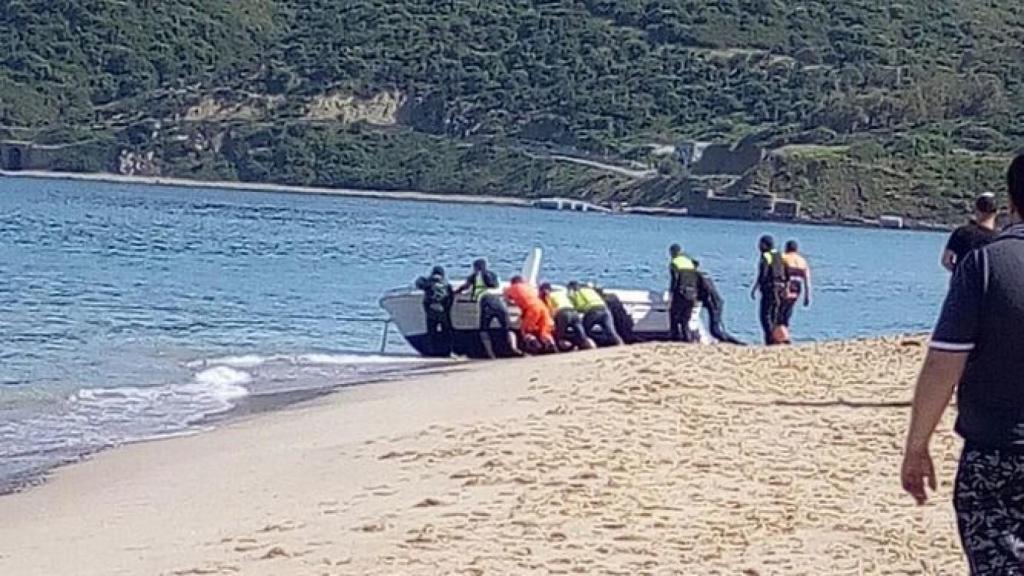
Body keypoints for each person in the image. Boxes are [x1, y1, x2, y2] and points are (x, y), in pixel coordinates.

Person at [902, 154, 1024, 574]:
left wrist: (917, 446)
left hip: (997, 454)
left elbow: (943, 363)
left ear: (1012, 201)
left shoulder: (988, 264)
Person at [454, 258, 521, 358]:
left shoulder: (475, 276)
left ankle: (491, 354)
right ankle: (514, 348)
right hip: (499, 301)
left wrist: (455, 292)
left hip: (486, 302)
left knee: (483, 330)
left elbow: (465, 287)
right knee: (507, 328)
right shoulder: (494, 275)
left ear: (476, 268)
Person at [942, 193, 998, 273]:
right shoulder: (1000, 238)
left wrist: (959, 273)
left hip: (963, 283)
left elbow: (946, 261)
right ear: (996, 212)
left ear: (976, 210)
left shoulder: (961, 232)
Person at [750, 235, 788, 345]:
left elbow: (763, 273)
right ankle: (777, 338)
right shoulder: (779, 255)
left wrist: (757, 286)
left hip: (770, 288)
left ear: (765, 245)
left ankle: (770, 339)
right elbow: (785, 271)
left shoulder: (766, 256)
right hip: (780, 287)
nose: (758, 246)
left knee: (765, 315)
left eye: (760, 244)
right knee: (774, 314)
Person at [504, 276, 557, 355]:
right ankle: (551, 345)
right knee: (544, 331)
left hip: (531, 309)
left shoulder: (511, 288)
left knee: (526, 331)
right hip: (542, 307)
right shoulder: (529, 287)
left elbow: (508, 301)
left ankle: (535, 346)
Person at [539, 282, 595, 351]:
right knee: (582, 337)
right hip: (573, 312)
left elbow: (550, 310)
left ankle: (560, 349)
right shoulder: (562, 293)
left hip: (563, 313)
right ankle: (591, 347)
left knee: (559, 336)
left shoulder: (549, 295)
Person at [567, 281, 624, 347]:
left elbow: (579, 306)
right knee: (611, 332)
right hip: (605, 310)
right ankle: (621, 345)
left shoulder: (577, 292)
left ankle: (590, 346)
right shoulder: (590, 290)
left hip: (593, 311)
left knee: (584, 330)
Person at [414, 266, 453, 356]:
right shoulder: (446, 283)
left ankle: (432, 351)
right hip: (443, 311)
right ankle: (447, 352)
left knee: (431, 332)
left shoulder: (429, 282)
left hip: (431, 310)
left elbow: (419, 284)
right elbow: (450, 297)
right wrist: (447, 309)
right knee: (446, 332)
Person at [697, 271, 744, 345]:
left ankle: (736, 342)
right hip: (716, 303)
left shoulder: (701, 280)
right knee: (715, 330)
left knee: (715, 330)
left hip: (714, 304)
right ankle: (731, 341)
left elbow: (709, 294)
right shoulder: (705, 279)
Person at [668, 244, 701, 342]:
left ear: (672, 252)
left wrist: (671, 291)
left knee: (673, 315)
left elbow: (675, 280)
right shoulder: (689, 262)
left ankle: (675, 337)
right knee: (685, 319)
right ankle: (687, 339)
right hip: (693, 293)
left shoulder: (674, 263)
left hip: (681, 293)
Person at [780, 240, 812, 329]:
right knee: (788, 310)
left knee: (779, 310)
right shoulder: (802, 261)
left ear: (786, 248)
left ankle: (779, 333)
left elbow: (782, 274)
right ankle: (785, 328)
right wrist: (807, 296)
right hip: (797, 287)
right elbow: (807, 280)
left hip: (785, 286)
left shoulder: (783, 257)